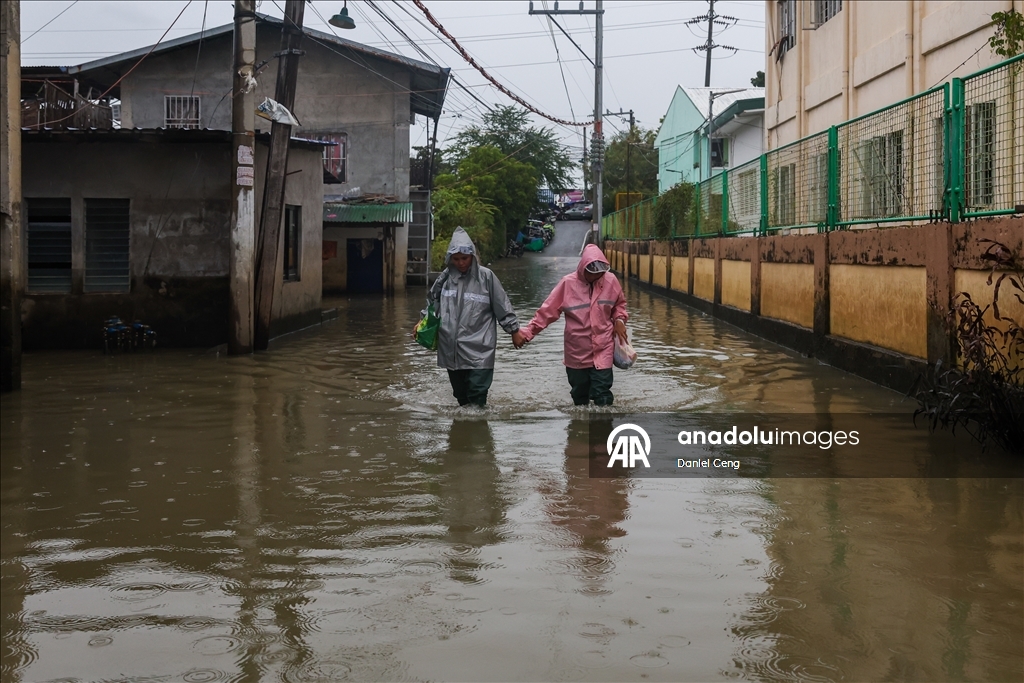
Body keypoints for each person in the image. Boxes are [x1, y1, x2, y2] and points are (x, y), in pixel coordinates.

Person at [425, 227, 525, 407]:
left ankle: (478, 430)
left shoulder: (486, 277)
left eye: (464, 258)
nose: (461, 263)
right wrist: (423, 323)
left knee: (477, 392)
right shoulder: (445, 279)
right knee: (460, 396)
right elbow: (432, 303)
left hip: (480, 348)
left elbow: (502, 305)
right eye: (456, 259)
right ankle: (464, 431)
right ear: (450, 259)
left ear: (472, 256)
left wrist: (514, 330)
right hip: (451, 347)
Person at [519, 244, 628, 406]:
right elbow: (547, 312)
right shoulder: (567, 284)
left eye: (600, 273)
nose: (596, 276)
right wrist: (528, 333)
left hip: (603, 348)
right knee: (579, 396)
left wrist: (619, 320)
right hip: (576, 352)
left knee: (602, 394)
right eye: (592, 273)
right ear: (584, 268)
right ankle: (579, 427)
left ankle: (603, 428)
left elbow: (620, 304)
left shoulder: (610, 281)